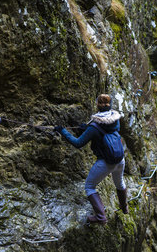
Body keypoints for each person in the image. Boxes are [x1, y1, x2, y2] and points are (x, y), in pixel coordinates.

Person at [54, 94, 128, 225]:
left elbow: (78, 143)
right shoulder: (115, 119)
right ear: (110, 106)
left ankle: (101, 218)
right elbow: (106, 131)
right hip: (120, 160)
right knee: (120, 183)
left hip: (105, 162)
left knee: (89, 187)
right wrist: (87, 129)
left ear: (97, 106)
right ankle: (124, 207)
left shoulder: (94, 126)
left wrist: (63, 131)